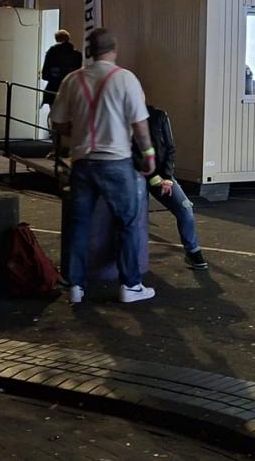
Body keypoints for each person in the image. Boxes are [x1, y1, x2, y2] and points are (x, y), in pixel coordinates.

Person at [51, 28, 156, 305]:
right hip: (116, 162)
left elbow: (58, 122)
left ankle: (75, 285)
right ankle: (131, 285)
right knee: (128, 222)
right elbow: (139, 124)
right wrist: (148, 154)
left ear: (89, 51)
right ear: (114, 50)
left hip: (82, 162)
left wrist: (82, 129)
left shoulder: (72, 80)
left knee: (79, 225)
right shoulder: (125, 79)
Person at [131, 105, 208, 269]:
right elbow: (131, 153)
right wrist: (154, 177)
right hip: (137, 175)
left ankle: (193, 251)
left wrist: (166, 177)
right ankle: (133, 259)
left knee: (185, 207)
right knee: (137, 217)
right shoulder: (124, 119)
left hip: (161, 175)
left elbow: (170, 148)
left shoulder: (159, 116)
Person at [41, 30, 83, 107]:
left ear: (56, 39)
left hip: (54, 89)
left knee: (54, 114)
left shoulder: (52, 52)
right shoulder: (77, 54)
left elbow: (45, 74)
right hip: (70, 90)